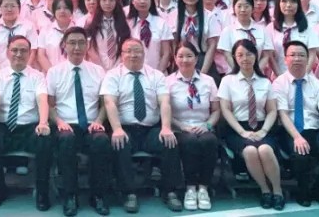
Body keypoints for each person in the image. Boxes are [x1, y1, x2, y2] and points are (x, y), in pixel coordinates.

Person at [101, 37, 181, 212]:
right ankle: (128, 193)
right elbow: (109, 103)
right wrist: (117, 129)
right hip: (125, 128)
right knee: (119, 143)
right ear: (121, 54)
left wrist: (166, 127)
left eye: (137, 51)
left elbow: (164, 102)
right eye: (128, 51)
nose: (133, 55)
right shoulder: (113, 75)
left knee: (170, 141)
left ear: (144, 54)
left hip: (150, 129)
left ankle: (170, 191)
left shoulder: (156, 75)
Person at [0, 36, 54, 210]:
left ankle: (42, 191)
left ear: (29, 54)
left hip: (29, 127)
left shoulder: (37, 76)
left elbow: (42, 101)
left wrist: (43, 123)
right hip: (4, 126)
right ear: (7, 52)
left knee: (45, 140)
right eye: (14, 50)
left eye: (23, 51)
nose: (18, 54)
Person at [46, 27, 112, 217]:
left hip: (92, 123)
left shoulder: (98, 71)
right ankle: (70, 195)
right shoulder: (54, 72)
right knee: (66, 140)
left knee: (101, 140)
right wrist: (58, 121)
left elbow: (105, 103)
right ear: (64, 45)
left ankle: (97, 195)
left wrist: (99, 120)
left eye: (81, 43)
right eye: (72, 43)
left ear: (87, 45)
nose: (77, 47)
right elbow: (49, 105)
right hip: (65, 124)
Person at [270, 40, 319, 209]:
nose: (297, 59)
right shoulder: (279, 83)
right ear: (285, 59)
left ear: (309, 59)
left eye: (301, 55)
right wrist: (297, 137)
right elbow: (283, 114)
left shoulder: (317, 84)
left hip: (314, 130)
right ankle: (303, 192)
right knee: (300, 155)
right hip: (290, 130)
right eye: (293, 55)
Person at [217, 39, 284, 211]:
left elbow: (272, 111)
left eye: (249, 54)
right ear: (234, 58)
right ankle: (265, 190)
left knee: (265, 149)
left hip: (262, 127)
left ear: (256, 55)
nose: (245, 58)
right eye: (240, 55)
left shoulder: (265, 82)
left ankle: (278, 191)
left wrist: (264, 130)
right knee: (250, 151)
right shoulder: (228, 81)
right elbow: (225, 110)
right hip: (237, 129)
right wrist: (242, 132)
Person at [165, 42, 219, 211]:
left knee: (209, 141)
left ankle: (203, 188)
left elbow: (216, 110)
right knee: (189, 142)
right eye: (180, 56)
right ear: (175, 59)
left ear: (196, 59)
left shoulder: (208, 81)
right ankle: (190, 188)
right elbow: (165, 112)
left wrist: (207, 125)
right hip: (180, 127)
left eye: (189, 56)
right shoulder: (168, 82)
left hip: (203, 126)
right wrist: (182, 126)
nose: (185, 60)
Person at [266, 0, 319, 79]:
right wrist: (281, 77)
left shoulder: (307, 27)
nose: (288, 5)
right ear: (278, 4)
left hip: (304, 77)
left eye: (292, 2)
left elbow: (312, 54)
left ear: (298, 5)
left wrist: (303, 75)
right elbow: (270, 57)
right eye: (284, 1)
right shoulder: (270, 28)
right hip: (279, 76)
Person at [217, 0, 274, 75]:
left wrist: (254, 73)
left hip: (257, 75)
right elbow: (227, 55)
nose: (243, 10)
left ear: (253, 9)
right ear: (234, 8)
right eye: (239, 6)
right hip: (234, 75)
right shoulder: (227, 31)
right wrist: (240, 73)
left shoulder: (262, 30)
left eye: (246, 6)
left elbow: (266, 56)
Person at [174, 0, 219, 76]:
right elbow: (173, 43)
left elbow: (212, 45)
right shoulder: (174, 16)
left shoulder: (209, 16)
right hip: (182, 61)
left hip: (203, 60)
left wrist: (203, 73)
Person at [125, 0, 174, 72]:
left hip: (156, 72)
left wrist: (158, 74)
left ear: (151, 1)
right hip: (132, 72)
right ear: (132, 1)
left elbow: (166, 53)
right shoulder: (127, 23)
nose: (142, 1)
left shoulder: (161, 23)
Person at [0, 0, 39, 72]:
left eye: (13, 6)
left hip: (25, 72)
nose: (9, 9)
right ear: (0, 8)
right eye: (5, 6)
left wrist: (24, 70)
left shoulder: (29, 26)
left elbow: (33, 51)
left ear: (19, 8)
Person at [85, 0, 131, 70]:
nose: (107, 3)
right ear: (99, 1)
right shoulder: (91, 22)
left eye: (111, 0)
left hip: (119, 67)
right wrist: (100, 68)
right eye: (104, 0)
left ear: (116, 1)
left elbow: (126, 45)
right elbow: (90, 48)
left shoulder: (123, 22)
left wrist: (117, 67)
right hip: (97, 67)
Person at [37, 0, 77, 72]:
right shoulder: (45, 31)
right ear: (54, 11)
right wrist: (53, 73)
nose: (62, 11)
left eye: (66, 8)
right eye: (58, 8)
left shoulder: (78, 30)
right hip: (51, 73)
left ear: (71, 11)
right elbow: (41, 55)